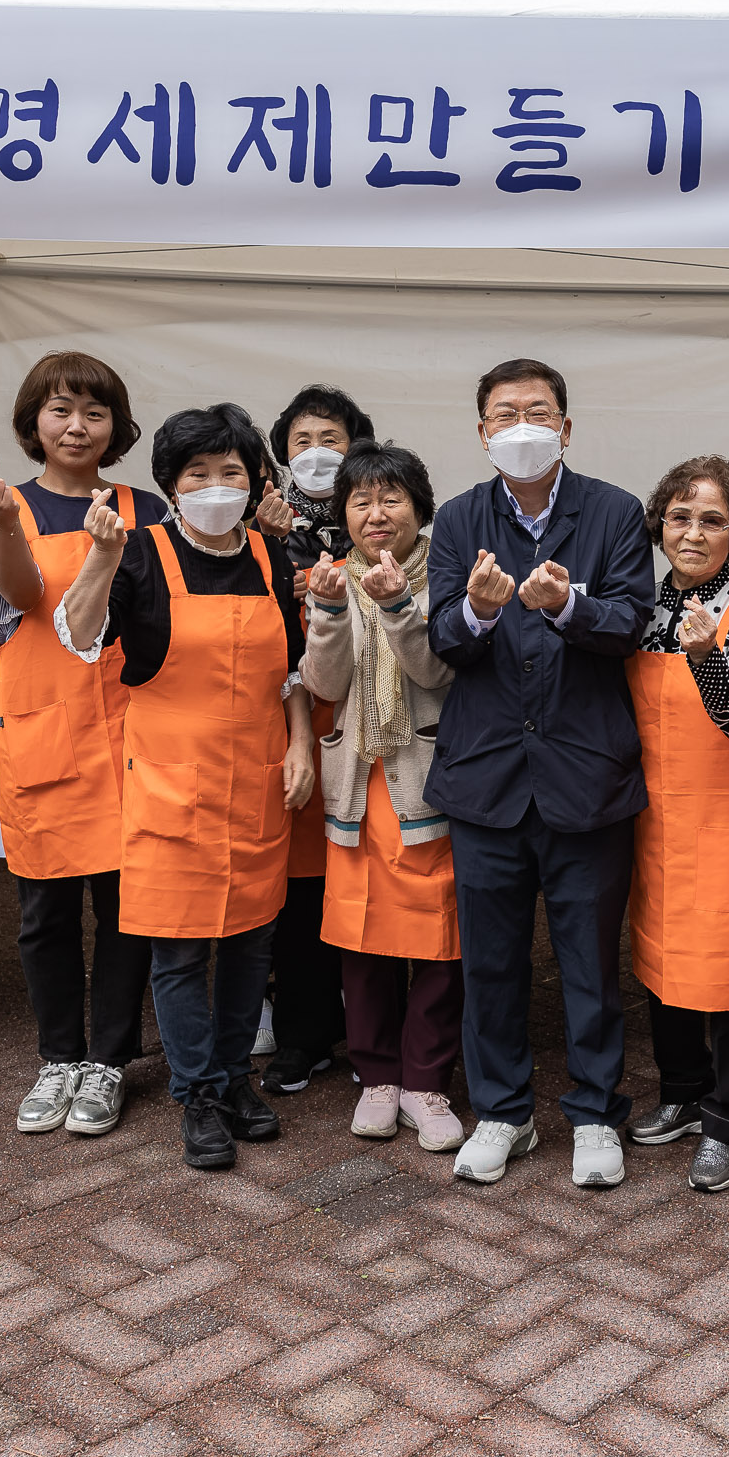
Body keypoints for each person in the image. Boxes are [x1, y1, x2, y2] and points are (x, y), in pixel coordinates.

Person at [59, 402, 314, 1173]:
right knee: (177, 953)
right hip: (172, 788)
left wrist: (302, 741)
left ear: (255, 480)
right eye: (196, 473)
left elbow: (295, 670)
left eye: (230, 471)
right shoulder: (139, 551)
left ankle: (236, 1079)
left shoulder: (273, 558)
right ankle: (198, 1093)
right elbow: (78, 634)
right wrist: (99, 558)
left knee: (247, 945)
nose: (214, 485)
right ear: (170, 485)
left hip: (259, 784)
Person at [425, 358, 656, 1189]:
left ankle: (595, 1112)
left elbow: (630, 620)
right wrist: (480, 609)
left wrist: (565, 604)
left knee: (591, 956)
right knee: (490, 960)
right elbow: (443, 642)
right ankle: (504, 1112)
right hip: (487, 778)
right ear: (482, 432)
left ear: (566, 426)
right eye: (502, 413)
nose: (520, 425)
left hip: (584, 775)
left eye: (538, 410)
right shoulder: (457, 519)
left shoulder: (615, 511)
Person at [0, 351, 168, 1140]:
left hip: (126, 729)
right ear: (33, 423)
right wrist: (5, 521)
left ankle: (110, 1061)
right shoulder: (3, 504)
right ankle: (58, 1056)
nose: (76, 425)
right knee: (44, 909)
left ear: (116, 426)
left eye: (93, 411)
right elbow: (20, 600)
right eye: (59, 409)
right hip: (39, 725)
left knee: (125, 908)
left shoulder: (144, 506)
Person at [299, 440, 469, 1153]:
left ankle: (426, 1080)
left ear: (418, 506)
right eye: (361, 500)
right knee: (360, 936)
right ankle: (377, 1077)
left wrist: (397, 603)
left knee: (438, 939)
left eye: (390, 497)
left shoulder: (450, 572)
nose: (376, 513)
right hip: (356, 786)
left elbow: (437, 668)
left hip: (426, 782)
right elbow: (324, 685)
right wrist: (332, 614)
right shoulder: (331, 578)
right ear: (344, 512)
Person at [626, 455, 729, 1193]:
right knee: (662, 960)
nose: (693, 531)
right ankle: (682, 1090)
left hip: (728, 823)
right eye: (680, 516)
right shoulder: (640, 609)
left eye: (711, 518)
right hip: (658, 823)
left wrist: (707, 656)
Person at [254, 385, 379, 1095]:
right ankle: (302, 1036)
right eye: (301, 440)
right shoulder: (266, 531)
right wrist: (268, 544)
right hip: (299, 723)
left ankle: (369, 1031)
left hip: (375, 731)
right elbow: (270, 641)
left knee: (366, 882)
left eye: (330, 437)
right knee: (302, 893)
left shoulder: (379, 518)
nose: (316, 452)